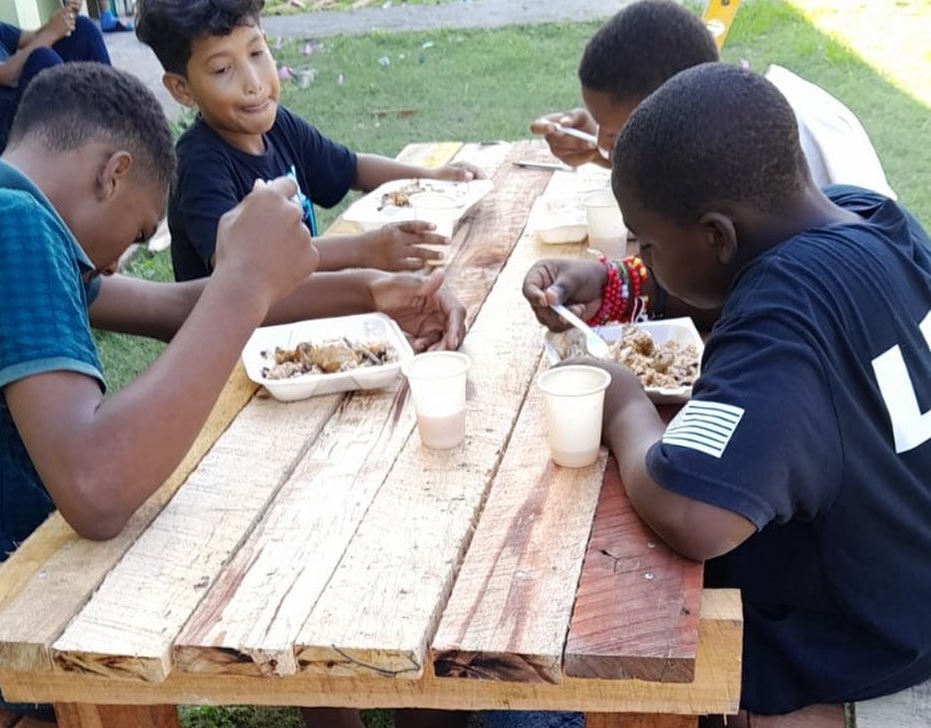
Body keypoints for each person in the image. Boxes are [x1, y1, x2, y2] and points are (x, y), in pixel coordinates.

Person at [0, 62, 465, 725]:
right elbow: (96, 488)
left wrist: (368, 289)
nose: (115, 262)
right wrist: (243, 282)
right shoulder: (11, 224)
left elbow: (174, 307)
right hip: (6, 618)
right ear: (113, 174)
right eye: (139, 233)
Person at [520, 63, 931, 725]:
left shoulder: (783, 314)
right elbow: (749, 281)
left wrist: (623, 405)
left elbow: (694, 516)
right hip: (909, 570)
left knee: (635, 604)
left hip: (867, 639)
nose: (644, 257)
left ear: (716, 235)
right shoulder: (871, 215)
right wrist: (623, 285)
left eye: (648, 244)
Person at [134, 0, 485, 283]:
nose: (253, 83)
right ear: (182, 89)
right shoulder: (198, 165)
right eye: (223, 69)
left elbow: (351, 168)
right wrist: (363, 249)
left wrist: (430, 177)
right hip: (238, 341)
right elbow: (245, 266)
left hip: (300, 309)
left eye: (256, 53)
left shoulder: (279, 126)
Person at [531, 0, 896, 201]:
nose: (602, 141)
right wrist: (603, 151)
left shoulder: (766, 150)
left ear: (673, 107)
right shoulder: (740, 109)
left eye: (616, 134)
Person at [0, 0, 111, 155]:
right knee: (43, 58)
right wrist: (50, 33)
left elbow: (32, 37)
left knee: (82, 28)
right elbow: (7, 74)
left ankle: (112, 115)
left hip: (23, 105)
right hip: (4, 132)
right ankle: (81, 134)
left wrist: (65, 17)